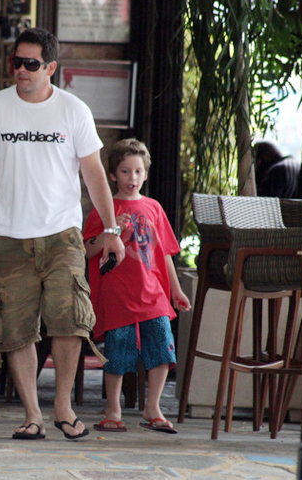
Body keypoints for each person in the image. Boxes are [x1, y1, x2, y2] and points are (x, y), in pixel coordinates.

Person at [0, 28, 125, 441]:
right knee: (15, 328)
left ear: (51, 68)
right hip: (8, 236)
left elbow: (93, 174)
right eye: (16, 62)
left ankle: (62, 407)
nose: (21, 70)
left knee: (70, 319)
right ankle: (32, 413)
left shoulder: (73, 110)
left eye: (31, 64)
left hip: (62, 235)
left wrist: (111, 229)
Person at [82, 138, 191, 434]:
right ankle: (113, 410)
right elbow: (88, 250)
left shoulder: (154, 208)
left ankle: (152, 407)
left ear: (146, 174)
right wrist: (111, 227)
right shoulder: (104, 208)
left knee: (162, 347)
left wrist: (176, 290)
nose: (133, 178)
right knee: (117, 351)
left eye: (138, 171)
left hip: (154, 294)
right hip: (118, 295)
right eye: (126, 171)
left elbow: (164, 253)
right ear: (113, 174)